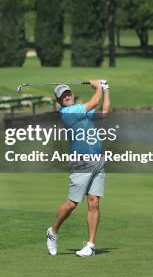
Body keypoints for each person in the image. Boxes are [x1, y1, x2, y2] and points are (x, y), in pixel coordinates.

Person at [46, 79, 110, 257]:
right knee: (72, 203)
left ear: (72, 95)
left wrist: (106, 89)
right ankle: (53, 232)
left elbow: (104, 112)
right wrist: (97, 87)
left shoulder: (81, 110)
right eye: (62, 96)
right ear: (59, 101)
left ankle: (90, 245)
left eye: (68, 93)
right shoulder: (68, 112)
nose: (66, 96)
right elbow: (95, 101)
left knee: (94, 202)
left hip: (98, 160)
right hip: (81, 162)